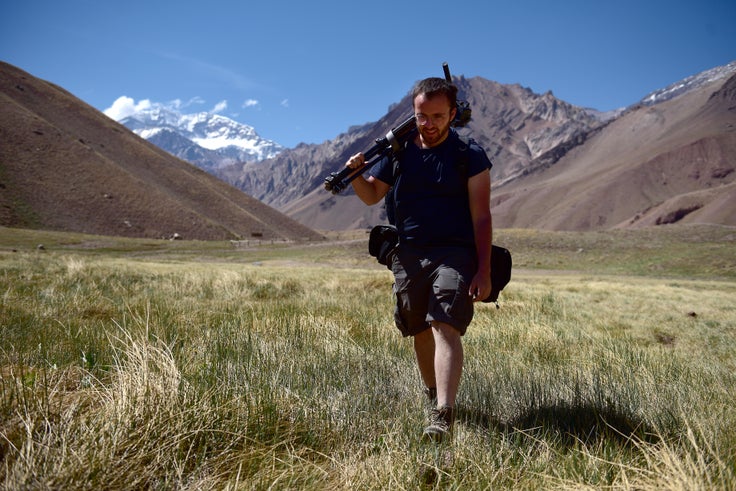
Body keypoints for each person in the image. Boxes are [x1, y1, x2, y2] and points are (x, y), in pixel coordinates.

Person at [344, 76, 493, 442]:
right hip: (409, 253)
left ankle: (444, 413)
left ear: (452, 114)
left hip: (455, 253)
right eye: (421, 116)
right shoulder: (398, 152)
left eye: (438, 116)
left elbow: (482, 216)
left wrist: (484, 269)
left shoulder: (468, 157)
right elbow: (370, 196)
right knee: (419, 327)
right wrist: (355, 175)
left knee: (445, 322)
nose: (428, 124)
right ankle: (432, 398)